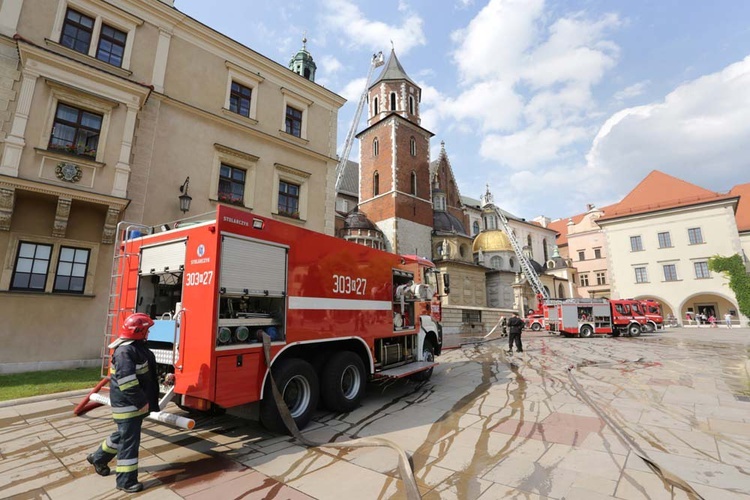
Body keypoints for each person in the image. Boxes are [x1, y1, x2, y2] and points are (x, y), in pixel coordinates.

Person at [87, 313, 160, 493]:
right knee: (129, 442)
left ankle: (98, 458)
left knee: (123, 435)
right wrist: (141, 402)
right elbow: (127, 383)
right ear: (138, 331)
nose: (148, 334)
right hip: (129, 406)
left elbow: (144, 375)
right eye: (147, 330)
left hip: (132, 404)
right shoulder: (125, 352)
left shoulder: (134, 348)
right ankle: (126, 481)